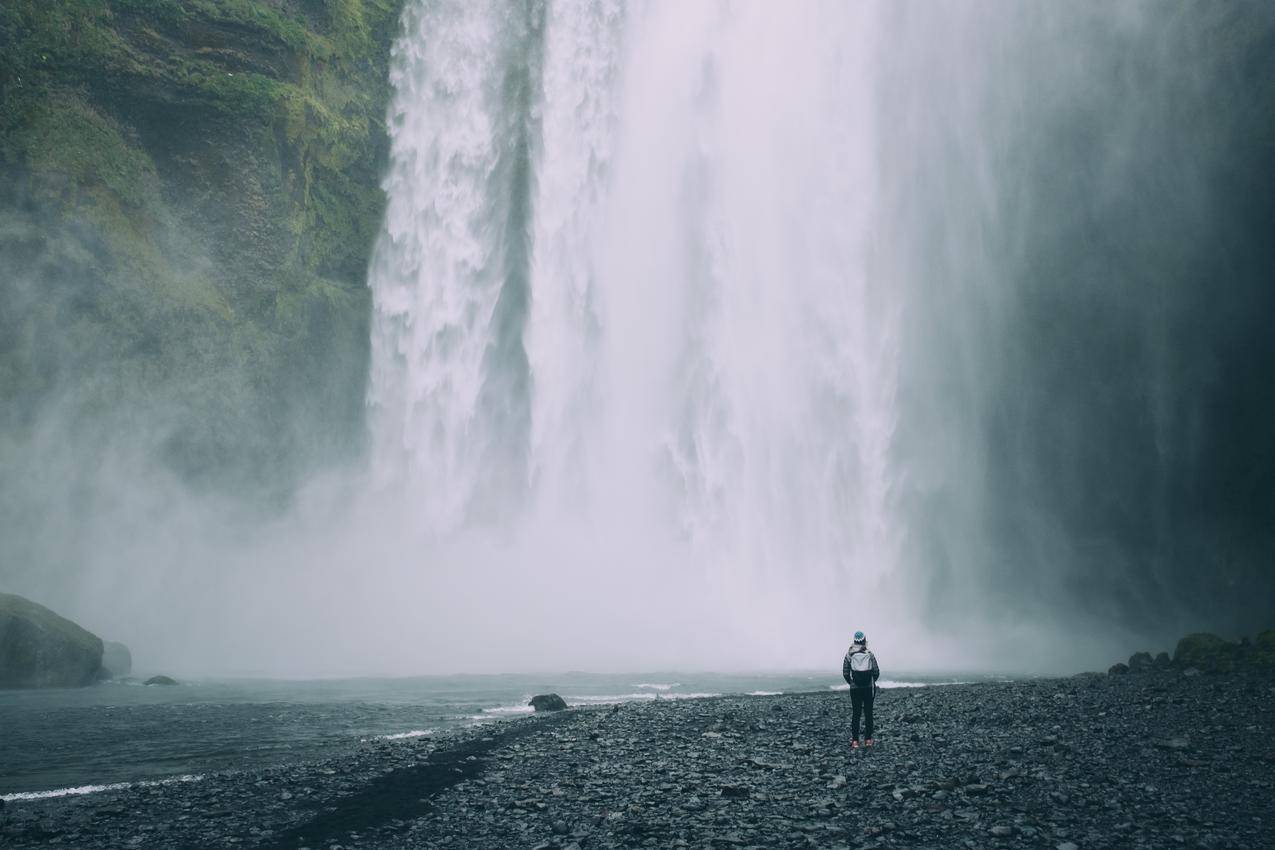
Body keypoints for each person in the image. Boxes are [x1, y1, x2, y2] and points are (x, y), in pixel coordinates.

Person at [842, 630, 880, 749]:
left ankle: (855, 741)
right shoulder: (869, 654)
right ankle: (868, 740)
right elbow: (876, 671)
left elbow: (845, 672)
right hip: (868, 688)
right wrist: (871, 681)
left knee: (856, 714)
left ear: (854, 641)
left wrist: (852, 682)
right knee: (868, 713)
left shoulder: (849, 654)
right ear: (864, 640)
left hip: (855, 689)